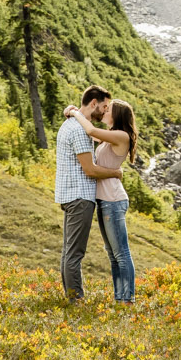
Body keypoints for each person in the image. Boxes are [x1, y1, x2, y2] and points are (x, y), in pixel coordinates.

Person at [55, 84, 121, 300]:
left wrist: (72, 110)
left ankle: (71, 297)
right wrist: (115, 173)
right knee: (75, 253)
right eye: (103, 106)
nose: (104, 111)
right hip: (80, 197)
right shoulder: (80, 131)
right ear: (93, 103)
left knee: (69, 251)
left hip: (69, 195)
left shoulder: (70, 124)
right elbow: (90, 169)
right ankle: (76, 301)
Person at [71, 98, 139, 303]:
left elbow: (91, 131)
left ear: (116, 114)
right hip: (104, 200)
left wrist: (76, 113)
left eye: (107, 109)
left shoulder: (120, 135)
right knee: (112, 254)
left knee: (121, 253)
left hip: (113, 200)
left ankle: (127, 299)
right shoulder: (111, 137)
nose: (104, 111)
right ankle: (120, 298)